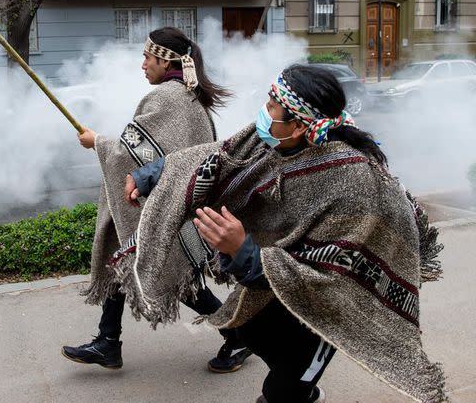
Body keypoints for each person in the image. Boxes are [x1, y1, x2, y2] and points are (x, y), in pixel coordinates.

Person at [122, 64, 445, 402]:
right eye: (269, 99)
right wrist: (150, 174)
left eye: (273, 105)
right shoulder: (275, 136)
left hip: (337, 299)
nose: (265, 111)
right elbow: (216, 155)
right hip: (281, 275)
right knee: (250, 325)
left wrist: (242, 251)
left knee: (282, 390)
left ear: (299, 126)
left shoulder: (354, 183)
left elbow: (329, 277)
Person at [61, 27, 253, 373]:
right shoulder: (184, 96)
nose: (142, 65)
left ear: (166, 61)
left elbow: (131, 155)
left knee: (179, 282)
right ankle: (108, 341)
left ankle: (239, 336)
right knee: (124, 262)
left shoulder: (168, 97)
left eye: (147, 57)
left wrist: (97, 141)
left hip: (167, 211)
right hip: (171, 206)